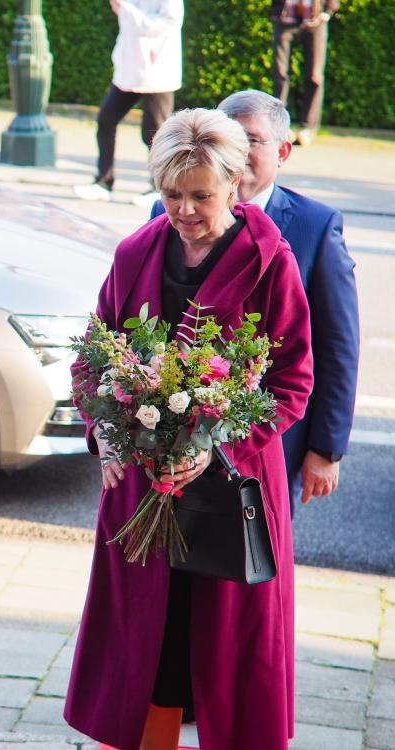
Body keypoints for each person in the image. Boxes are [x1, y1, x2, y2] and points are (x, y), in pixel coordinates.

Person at [65, 108, 313, 750]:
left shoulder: (271, 264)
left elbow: (292, 383)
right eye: (171, 195)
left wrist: (215, 442)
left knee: (229, 666)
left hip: (232, 492)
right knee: (149, 655)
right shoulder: (134, 253)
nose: (184, 211)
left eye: (201, 195)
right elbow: (94, 359)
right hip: (140, 493)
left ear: (235, 183)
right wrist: (111, 438)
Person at [150, 89, 359, 514]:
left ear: (283, 151)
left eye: (252, 140)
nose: (238, 151)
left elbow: (336, 345)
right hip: (168, 443)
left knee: (248, 561)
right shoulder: (163, 212)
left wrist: (327, 448)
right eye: (228, 137)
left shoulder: (313, 227)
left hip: (266, 441)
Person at [73, 0, 183, 207]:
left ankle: (160, 189)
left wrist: (127, 8)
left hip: (156, 72)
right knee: (106, 119)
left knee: (155, 134)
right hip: (129, 72)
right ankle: (103, 182)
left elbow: (168, 23)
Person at [270, 0, 338, 146]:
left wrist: (328, 11)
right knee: (280, 73)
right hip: (284, 18)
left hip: (316, 19)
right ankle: (280, 126)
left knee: (315, 76)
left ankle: (308, 128)